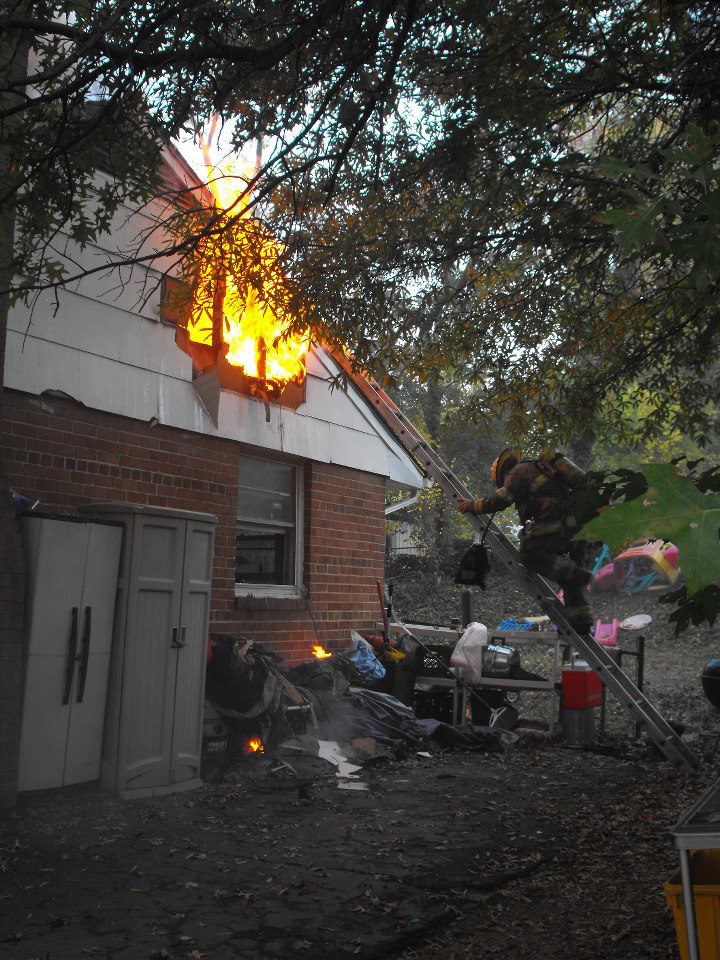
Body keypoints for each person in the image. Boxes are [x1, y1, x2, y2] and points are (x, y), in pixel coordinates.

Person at [458, 448, 594, 641]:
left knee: (530, 555)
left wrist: (471, 505)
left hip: (558, 520)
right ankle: (582, 622)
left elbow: (500, 500)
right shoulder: (538, 468)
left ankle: (579, 575)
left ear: (504, 474)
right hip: (579, 523)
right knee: (567, 577)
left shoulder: (518, 473)